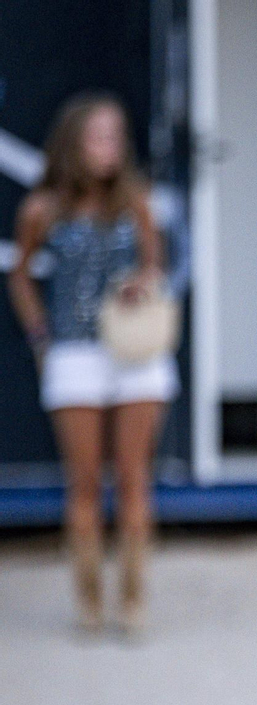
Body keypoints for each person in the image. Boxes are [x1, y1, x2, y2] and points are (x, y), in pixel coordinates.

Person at [7, 93, 176, 635]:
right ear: (74, 142)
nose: (109, 147)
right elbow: (22, 275)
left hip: (133, 350)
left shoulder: (136, 201)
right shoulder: (43, 208)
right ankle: (88, 599)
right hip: (76, 352)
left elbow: (155, 263)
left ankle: (133, 598)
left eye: (115, 135)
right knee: (82, 480)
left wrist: (142, 285)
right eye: (98, 136)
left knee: (133, 476)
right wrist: (40, 336)